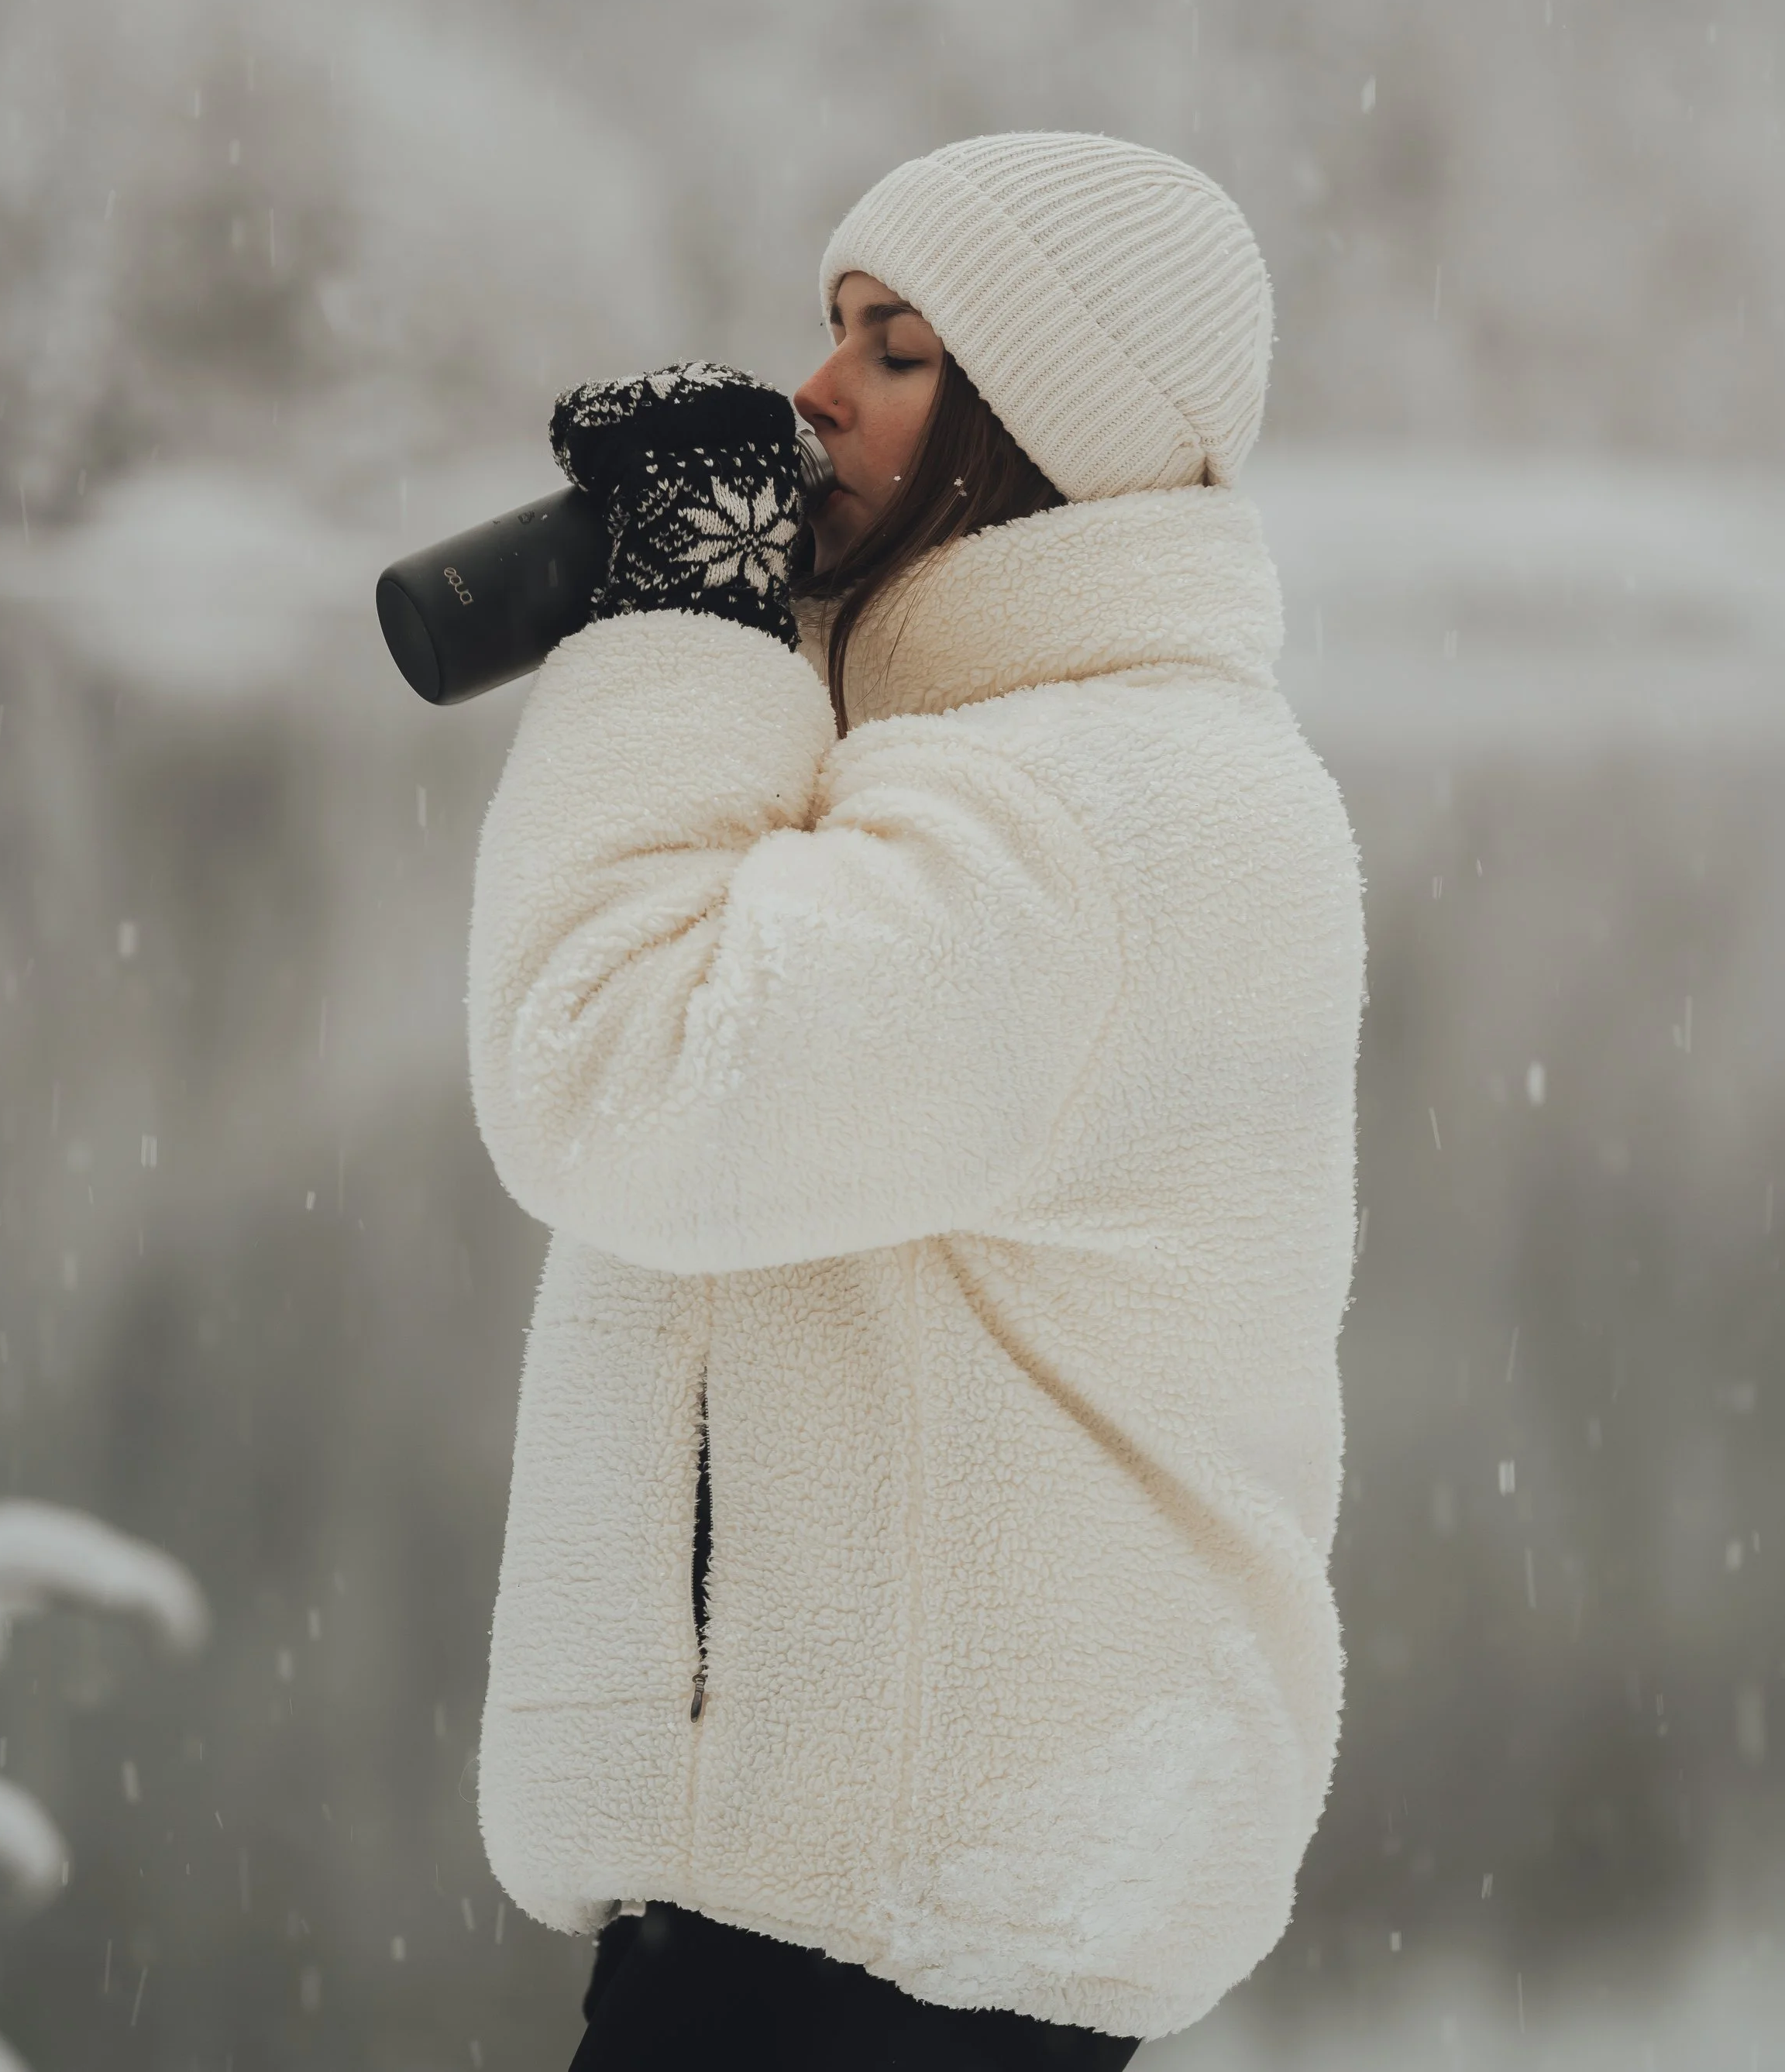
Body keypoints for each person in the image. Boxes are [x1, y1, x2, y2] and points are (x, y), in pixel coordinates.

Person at [466, 132, 1366, 2068]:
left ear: (1043, 418)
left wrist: (687, 625)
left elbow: (621, 1076)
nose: (815, 390)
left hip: (880, 1929)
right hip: (908, 1896)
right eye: (831, 327)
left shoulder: (1082, 808)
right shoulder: (1056, 768)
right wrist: (758, 630)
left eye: (899, 347)